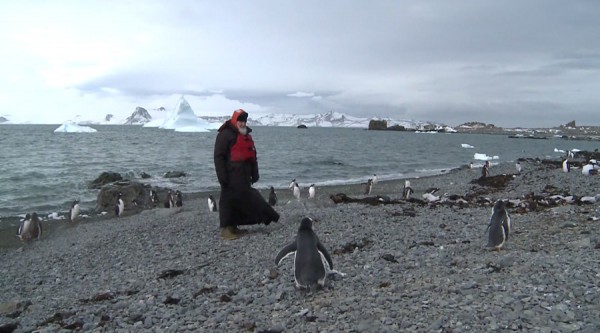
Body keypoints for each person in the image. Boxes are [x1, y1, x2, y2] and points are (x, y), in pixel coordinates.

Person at [214, 109, 280, 240]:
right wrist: (222, 176)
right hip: (230, 175)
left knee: (241, 200)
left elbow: (253, 156)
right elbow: (218, 156)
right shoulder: (225, 135)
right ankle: (225, 229)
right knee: (227, 201)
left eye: (244, 121)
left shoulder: (246, 135)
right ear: (234, 120)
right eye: (240, 121)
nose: (243, 124)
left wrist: (255, 173)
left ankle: (233, 226)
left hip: (244, 175)